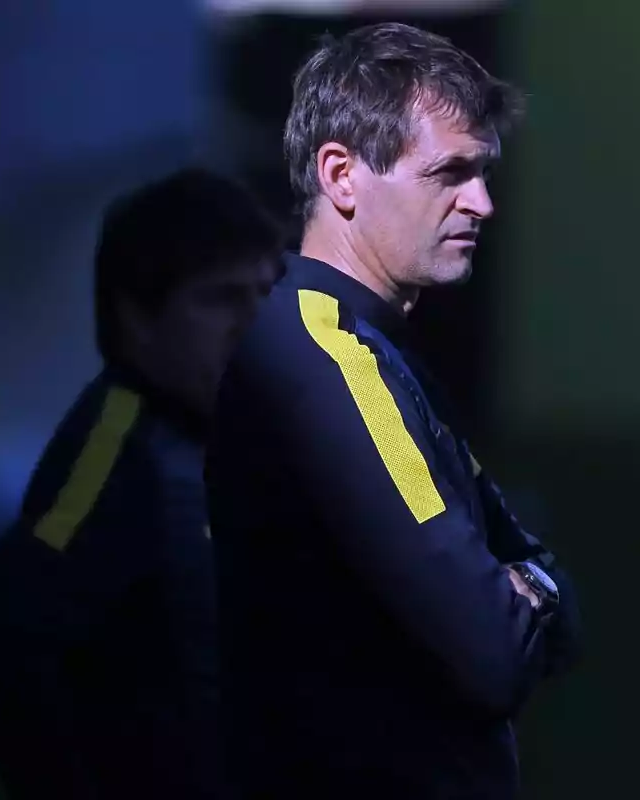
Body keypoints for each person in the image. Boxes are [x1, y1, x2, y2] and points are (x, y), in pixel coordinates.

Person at [205, 22, 581, 799]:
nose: (481, 202)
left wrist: (531, 587)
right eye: (450, 172)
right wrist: (529, 591)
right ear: (341, 175)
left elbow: (546, 594)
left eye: (484, 172)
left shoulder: (366, 348)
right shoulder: (330, 358)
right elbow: (494, 650)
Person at [0, 167, 283, 800]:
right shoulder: (118, 450)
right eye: (222, 298)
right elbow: (5, 634)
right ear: (137, 319)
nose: (255, 324)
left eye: (265, 292)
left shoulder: (238, 441)